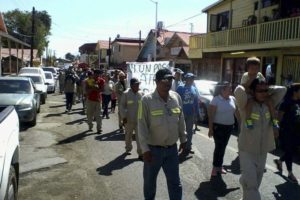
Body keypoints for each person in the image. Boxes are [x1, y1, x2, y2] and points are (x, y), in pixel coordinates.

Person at [138, 68, 187, 200]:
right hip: (153, 151)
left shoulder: (176, 97)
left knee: (175, 184)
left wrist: (183, 138)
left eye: (170, 79)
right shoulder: (146, 100)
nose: (168, 82)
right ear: (157, 82)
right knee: (149, 184)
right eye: (165, 79)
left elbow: (180, 119)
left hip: (172, 150)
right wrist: (145, 150)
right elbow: (141, 126)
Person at [234, 78, 286, 200]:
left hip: (263, 150)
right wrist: (248, 88)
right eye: (260, 91)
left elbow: (283, 89)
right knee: (252, 186)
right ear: (253, 91)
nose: (264, 93)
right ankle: (247, 182)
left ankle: (244, 181)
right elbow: (238, 91)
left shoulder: (270, 102)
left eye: (265, 90)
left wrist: (266, 90)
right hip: (247, 149)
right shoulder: (245, 103)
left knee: (255, 183)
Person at [208, 81, 239, 176]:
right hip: (218, 127)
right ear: (222, 90)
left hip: (229, 127)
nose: (231, 90)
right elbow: (211, 115)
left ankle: (219, 166)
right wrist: (210, 129)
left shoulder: (232, 99)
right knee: (219, 147)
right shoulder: (216, 100)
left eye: (231, 88)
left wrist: (241, 124)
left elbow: (236, 113)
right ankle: (215, 167)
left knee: (223, 147)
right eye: (229, 88)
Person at [241, 57, 279, 130]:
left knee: (270, 102)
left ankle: (274, 121)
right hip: (250, 93)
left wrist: (265, 91)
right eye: (252, 69)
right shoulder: (245, 75)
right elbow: (244, 86)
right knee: (250, 103)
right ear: (247, 68)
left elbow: (263, 83)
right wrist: (252, 78)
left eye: (256, 69)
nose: (254, 71)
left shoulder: (259, 74)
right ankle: (248, 120)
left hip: (259, 93)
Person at [274, 84, 300, 183]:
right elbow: (278, 118)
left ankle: (279, 161)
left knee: (292, 150)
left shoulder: (298, 101)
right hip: (286, 131)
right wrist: (276, 130)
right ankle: (290, 173)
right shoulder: (286, 103)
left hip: (297, 131)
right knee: (289, 151)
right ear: (295, 92)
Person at [120, 78, 143, 159]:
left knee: (139, 136)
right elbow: (122, 106)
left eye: (138, 84)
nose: (137, 86)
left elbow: (144, 106)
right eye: (136, 84)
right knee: (128, 135)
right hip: (129, 120)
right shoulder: (126, 94)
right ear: (131, 85)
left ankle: (140, 153)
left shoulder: (141, 93)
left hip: (139, 120)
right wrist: (124, 117)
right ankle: (128, 149)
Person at [176, 72, 199, 155]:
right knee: (181, 131)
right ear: (186, 79)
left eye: (193, 79)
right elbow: (176, 100)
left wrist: (196, 113)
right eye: (190, 78)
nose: (192, 80)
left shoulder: (194, 88)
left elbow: (196, 101)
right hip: (181, 113)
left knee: (189, 131)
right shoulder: (180, 88)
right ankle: (181, 146)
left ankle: (188, 147)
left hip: (191, 114)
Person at [85, 69, 105, 134]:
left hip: (98, 100)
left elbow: (101, 90)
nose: (97, 75)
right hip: (90, 100)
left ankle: (99, 128)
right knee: (89, 114)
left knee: (99, 115)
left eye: (98, 74)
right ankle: (90, 125)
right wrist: (94, 87)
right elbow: (87, 91)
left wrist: (94, 87)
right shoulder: (88, 80)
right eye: (96, 74)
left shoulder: (101, 80)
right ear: (93, 74)